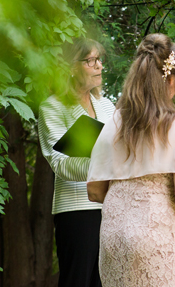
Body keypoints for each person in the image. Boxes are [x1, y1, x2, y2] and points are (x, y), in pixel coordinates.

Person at [87, 33, 175, 287]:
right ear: (171, 80)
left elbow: (95, 191)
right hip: (156, 237)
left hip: (113, 240)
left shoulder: (113, 124)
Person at [38, 38, 116, 287]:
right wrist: (101, 164)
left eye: (99, 60)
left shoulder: (107, 106)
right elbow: (59, 163)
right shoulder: (52, 107)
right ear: (72, 67)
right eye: (91, 60)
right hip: (76, 211)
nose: (99, 66)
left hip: (111, 208)